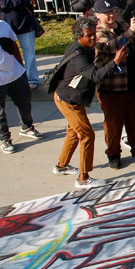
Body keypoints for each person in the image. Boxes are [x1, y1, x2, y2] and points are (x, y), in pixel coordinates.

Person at [53, 17, 127, 188]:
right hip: (69, 101)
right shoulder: (79, 57)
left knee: (73, 132)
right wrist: (115, 62)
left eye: (94, 34)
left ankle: (61, 166)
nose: (93, 38)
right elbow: (95, 75)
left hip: (70, 98)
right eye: (89, 35)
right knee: (87, 135)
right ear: (79, 36)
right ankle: (83, 178)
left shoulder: (81, 47)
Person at [0, 4, 42, 154]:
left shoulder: (3, 25)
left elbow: (13, 45)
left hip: (16, 74)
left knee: (25, 103)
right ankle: (4, 139)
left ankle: (27, 127)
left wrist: (21, 67)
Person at [93, 0, 135, 169]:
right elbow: (111, 47)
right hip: (111, 87)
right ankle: (113, 154)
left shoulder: (122, 25)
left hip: (131, 82)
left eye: (112, 12)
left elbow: (134, 52)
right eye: (106, 13)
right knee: (113, 124)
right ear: (97, 15)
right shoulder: (97, 32)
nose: (111, 15)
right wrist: (129, 32)